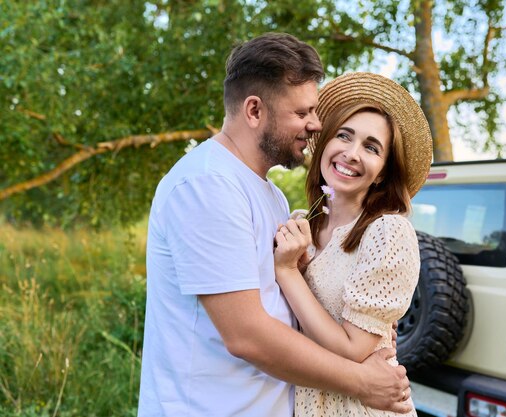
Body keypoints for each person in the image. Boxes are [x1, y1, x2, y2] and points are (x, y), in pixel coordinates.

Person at [137, 34, 413, 417]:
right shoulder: (207, 186)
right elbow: (247, 335)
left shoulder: (274, 197)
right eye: (302, 113)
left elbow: (287, 303)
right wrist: (363, 382)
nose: (316, 126)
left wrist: (371, 330)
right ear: (254, 111)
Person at [273, 72, 433, 416]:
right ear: (326, 142)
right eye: (344, 136)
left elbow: (353, 349)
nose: (352, 153)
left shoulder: (387, 232)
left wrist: (287, 272)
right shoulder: (303, 222)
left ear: (382, 173)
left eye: (371, 147)